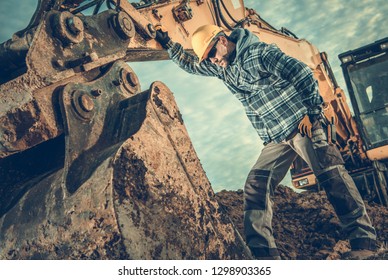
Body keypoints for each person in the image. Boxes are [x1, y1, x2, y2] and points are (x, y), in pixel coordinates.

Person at [155, 24, 377, 260]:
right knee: (255, 186)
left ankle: (364, 241)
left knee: (331, 176)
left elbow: (301, 72)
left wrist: (312, 113)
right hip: (276, 138)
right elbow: (194, 66)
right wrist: (170, 46)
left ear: (222, 40)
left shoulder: (259, 54)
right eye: (207, 58)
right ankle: (263, 256)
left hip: (302, 125)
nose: (211, 60)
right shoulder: (224, 68)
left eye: (211, 53)